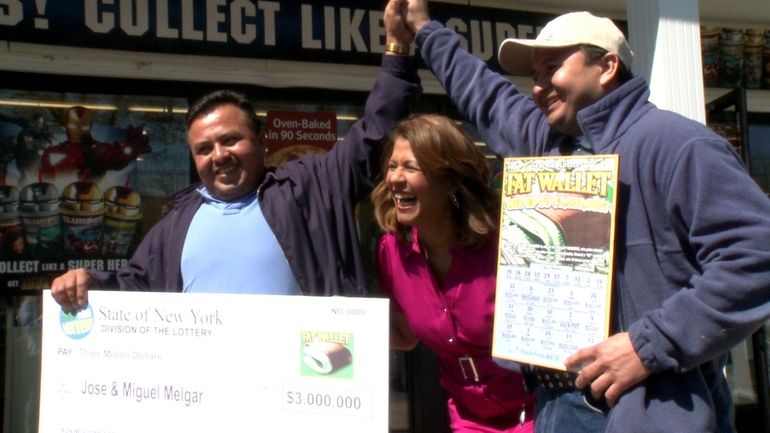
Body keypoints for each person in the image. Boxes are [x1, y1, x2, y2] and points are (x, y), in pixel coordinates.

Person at [399, 2, 770, 433]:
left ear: (607, 66)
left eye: (553, 67)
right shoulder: (546, 143)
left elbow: (757, 255)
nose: (539, 87)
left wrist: (647, 345)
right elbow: (485, 95)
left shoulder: (676, 145)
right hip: (555, 404)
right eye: (535, 76)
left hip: (649, 410)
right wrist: (425, 30)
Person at [50, 0, 421, 311]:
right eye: (204, 149)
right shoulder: (176, 222)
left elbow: (377, 133)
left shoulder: (312, 188)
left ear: (261, 142)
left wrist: (397, 52)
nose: (218, 155)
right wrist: (88, 281)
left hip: (306, 385)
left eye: (230, 140)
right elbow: (134, 286)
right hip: (206, 393)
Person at [372, 113, 535, 433]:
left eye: (410, 167)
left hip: (536, 411)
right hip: (468, 417)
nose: (395, 178)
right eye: (393, 166)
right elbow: (405, 336)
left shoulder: (506, 241)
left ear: (448, 179)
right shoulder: (391, 252)